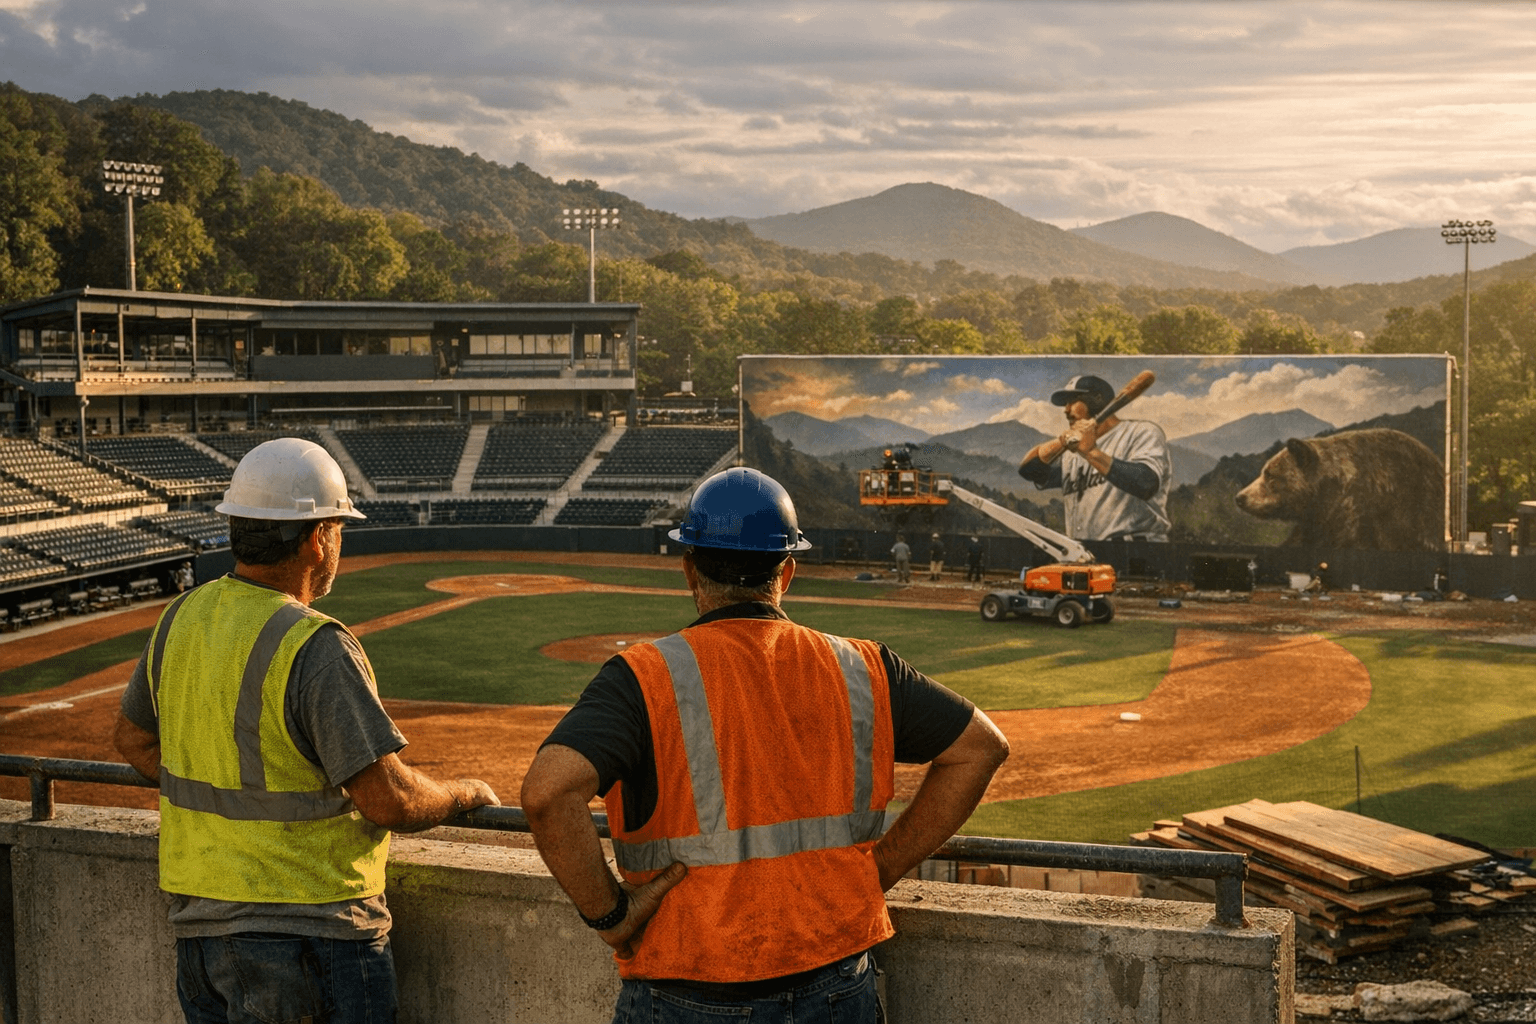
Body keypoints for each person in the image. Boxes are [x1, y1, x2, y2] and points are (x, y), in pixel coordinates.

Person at [521, 467, 1008, 1024]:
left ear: (689, 568)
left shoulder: (643, 676)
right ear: (788, 571)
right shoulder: (863, 666)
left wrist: (612, 917)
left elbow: (547, 793)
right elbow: (982, 747)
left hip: (689, 983)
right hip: (837, 979)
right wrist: (880, 869)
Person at [113, 437, 500, 1024]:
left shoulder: (179, 616)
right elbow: (387, 800)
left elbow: (135, 741)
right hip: (312, 937)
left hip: (201, 935)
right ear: (318, 537)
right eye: (338, 528)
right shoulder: (316, 645)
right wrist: (465, 794)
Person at [1018, 374, 1172, 542]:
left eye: (1073, 401)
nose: (1066, 410)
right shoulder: (1074, 450)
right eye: (1065, 404)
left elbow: (1146, 483)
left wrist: (1092, 453)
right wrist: (1062, 441)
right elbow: (1029, 470)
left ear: (1098, 399)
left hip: (1136, 552)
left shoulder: (1140, 432)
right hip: (1084, 553)